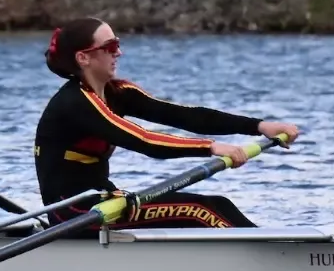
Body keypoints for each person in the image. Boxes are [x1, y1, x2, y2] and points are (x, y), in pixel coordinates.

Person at [34, 17, 300, 228]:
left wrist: (259, 126)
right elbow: (144, 141)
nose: (119, 53)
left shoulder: (119, 92)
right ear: (84, 58)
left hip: (105, 201)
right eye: (110, 47)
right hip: (74, 212)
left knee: (215, 207)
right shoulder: (75, 103)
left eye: (118, 43)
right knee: (206, 209)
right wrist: (211, 147)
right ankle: (278, 259)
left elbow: (184, 115)